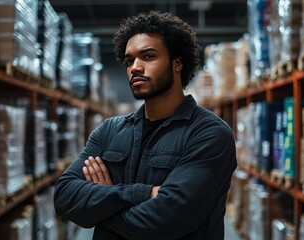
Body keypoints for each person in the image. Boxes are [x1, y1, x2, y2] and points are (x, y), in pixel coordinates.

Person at [54, 10, 237, 240]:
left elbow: (169, 218)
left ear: (177, 63)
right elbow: (63, 196)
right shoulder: (109, 131)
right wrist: (144, 193)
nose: (135, 68)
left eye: (148, 56)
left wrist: (101, 205)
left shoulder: (209, 134)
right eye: (129, 60)